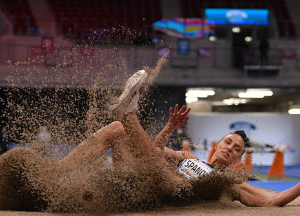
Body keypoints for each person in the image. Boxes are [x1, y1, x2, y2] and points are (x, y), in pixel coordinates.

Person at [1, 69, 300, 212]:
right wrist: (169, 127)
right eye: (228, 141)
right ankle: (54, 175)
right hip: (138, 180)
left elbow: (273, 200)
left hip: (165, 194)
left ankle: (128, 112)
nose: (230, 148)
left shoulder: (229, 182)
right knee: (117, 129)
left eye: (236, 149)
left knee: (156, 165)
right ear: (217, 144)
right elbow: (154, 151)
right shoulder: (189, 158)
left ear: (237, 159)